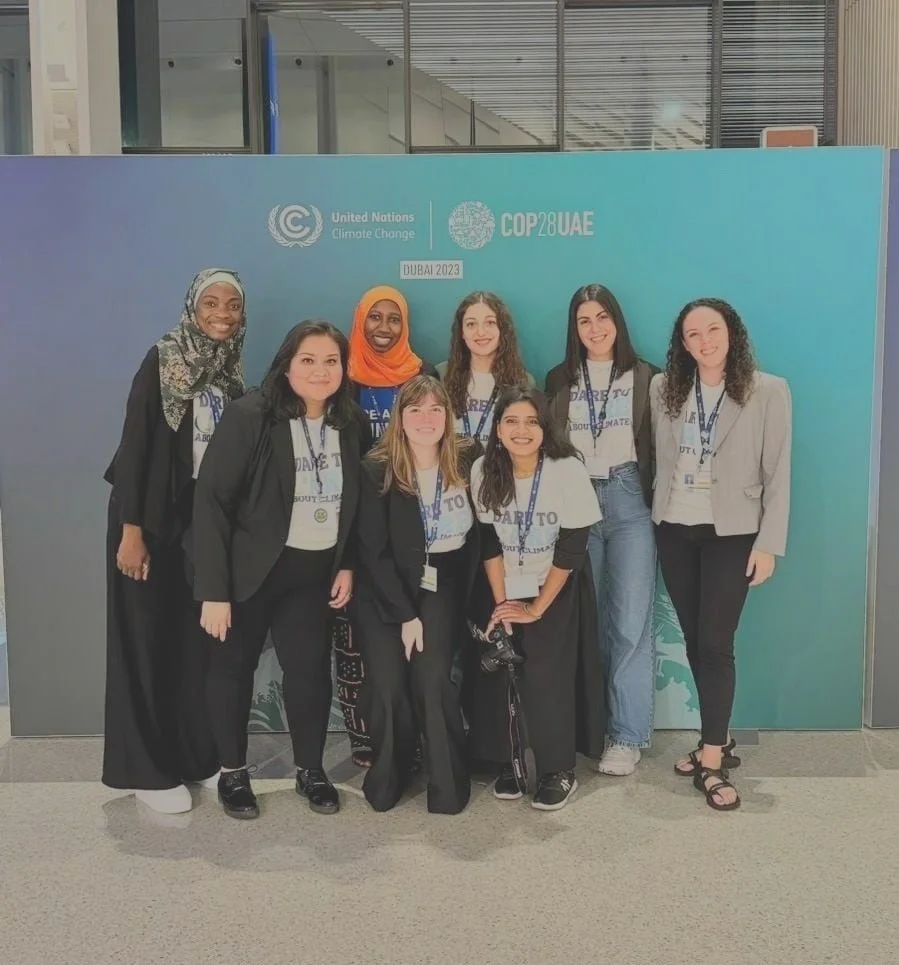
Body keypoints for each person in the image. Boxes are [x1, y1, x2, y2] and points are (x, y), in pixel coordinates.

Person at [191, 320, 369, 820]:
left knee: (309, 673)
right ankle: (232, 772)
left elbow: (359, 504)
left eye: (331, 361)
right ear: (287, 365)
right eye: (308, 360)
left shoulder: (351, 421)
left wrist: (348, 564)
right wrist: (214, 591)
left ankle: (310, 770)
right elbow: (211, 503)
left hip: (312, 576)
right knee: (232, 670)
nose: (320, 371)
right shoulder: (250, 416)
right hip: (247, 575)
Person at [102, 268, 246, 814]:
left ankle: (191, 755)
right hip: (147, 521)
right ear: (192, 307)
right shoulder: (163, 359)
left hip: (194, 525)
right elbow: (136, 444)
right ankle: (146, 770)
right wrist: (132, 531)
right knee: (144, 641)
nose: (222, 314)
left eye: (232, 305)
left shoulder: (230, 372)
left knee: (191, 644)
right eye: (211, 302)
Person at [651, 298, 791, 811]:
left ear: (731, 333)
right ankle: (719, 738)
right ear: (683, 344)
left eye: (713, 329)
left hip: (732, 533)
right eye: (693, 334)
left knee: (715, 641)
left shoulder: (767, 390)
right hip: (674, 528)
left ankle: (712, 761)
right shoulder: (663, 388)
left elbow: (778, 472)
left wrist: (768, 543)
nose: (704, 341)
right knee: (694, 639)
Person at [470, 387, 606, 811]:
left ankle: (557, 770)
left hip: (555, 587)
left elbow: (573, 546)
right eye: (511, 421)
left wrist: (536, 608)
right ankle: (509, 763)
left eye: (532, 421)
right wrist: (503, 608)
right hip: (503, 584)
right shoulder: (483, 469)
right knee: (499, 676)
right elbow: (488, 541)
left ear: (546, 428)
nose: (521, 430)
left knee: (548, 678)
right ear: (497, 429)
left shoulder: (567, 469)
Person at [545, 285, 658, 777]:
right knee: (585, 621)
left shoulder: (647, 376)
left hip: (630, 499)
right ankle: (588, 729)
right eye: (584, 320)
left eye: (602, 317)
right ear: (574, 328)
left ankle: (627, 736)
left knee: (630, 623)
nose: (595, 328)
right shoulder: (559, 379)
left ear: (617, 321)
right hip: (577, 501)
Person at [355, 375, 483, 814]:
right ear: (400, 418)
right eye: (415, 410)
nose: (426, 419)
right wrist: (406, 616)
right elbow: (372, 552)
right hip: (385, 587)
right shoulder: (377, 469)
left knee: (431, 678)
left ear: (448, 415)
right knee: (388, 682)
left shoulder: (468, 459)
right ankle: (389, 776)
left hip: (441, 583)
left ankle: (448, 784)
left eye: (435, 409)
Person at [344, 284, 437, 767]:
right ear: (360, 321)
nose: (384, 327)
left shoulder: (422, 375)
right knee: (358, 640)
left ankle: (417, 737)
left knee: (416, 636)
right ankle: (366, 736)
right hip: (352, 520)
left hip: (412, 523)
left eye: (393, 318)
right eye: (375, 317)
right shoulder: (342, 377)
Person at [437, 291, 535, 448]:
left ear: (502, 329)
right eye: (471, 324)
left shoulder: (523, 380)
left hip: (500, 462)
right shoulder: (441, 375)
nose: (481, 332)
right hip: (451, 462)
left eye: (490, 323)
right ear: (462, 332)